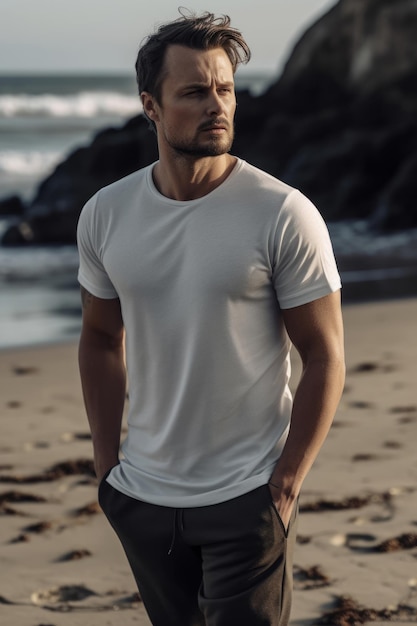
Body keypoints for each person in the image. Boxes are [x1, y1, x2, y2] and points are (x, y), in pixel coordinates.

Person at [77, 10, 345, 626]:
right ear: (151, 104)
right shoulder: (105, 214)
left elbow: (325, 355)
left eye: (224, 88)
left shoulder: (282, 213)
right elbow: (98, 338)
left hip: (247, 497)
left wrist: (284, 485)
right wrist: (105, 468)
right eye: (194, 92)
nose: (216, 105)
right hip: (142, 497)